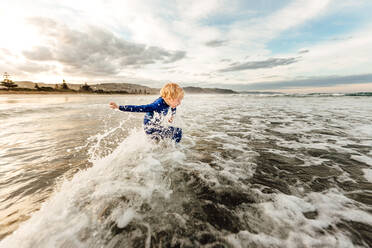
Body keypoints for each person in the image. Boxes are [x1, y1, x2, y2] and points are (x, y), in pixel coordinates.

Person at [109, 83, 184, 143]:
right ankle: (174, 151)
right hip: (150, 128)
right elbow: (139, 108)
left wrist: (172, 116)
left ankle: (166, 149)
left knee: (159, 142)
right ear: (169, 98)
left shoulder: (170, 102)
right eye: (178, 100)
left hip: (155, 126)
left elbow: (174, 107)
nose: (179, 103)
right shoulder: (157, 105)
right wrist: (119, 107)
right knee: (177, 132)